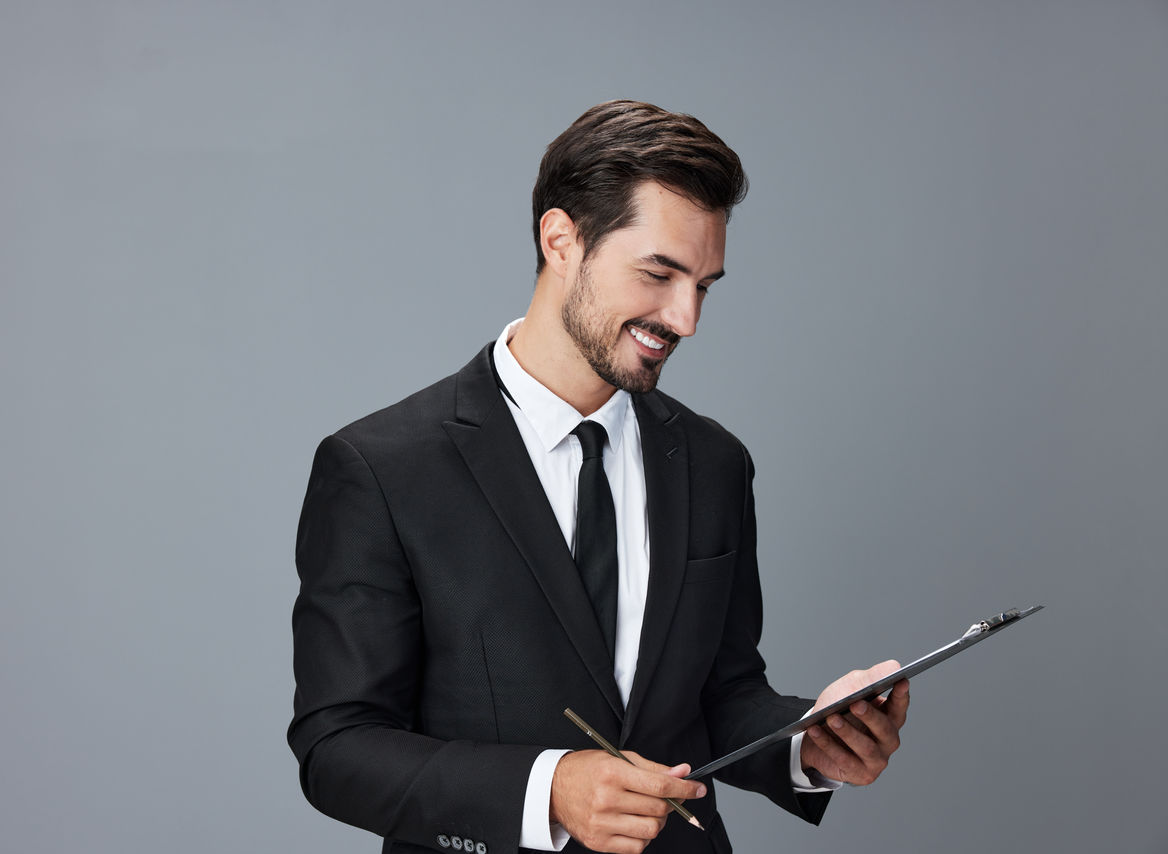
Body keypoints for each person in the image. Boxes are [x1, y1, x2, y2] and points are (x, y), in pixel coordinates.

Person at [288, 100, 910, 854]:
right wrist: (547, 788)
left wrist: (805, 743)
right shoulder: (382, 468)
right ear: (561, 240)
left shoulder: (713, 462)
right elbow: (338, 748)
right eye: (659, 273)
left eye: (704, 285)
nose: (685, 318)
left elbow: (719, 696)